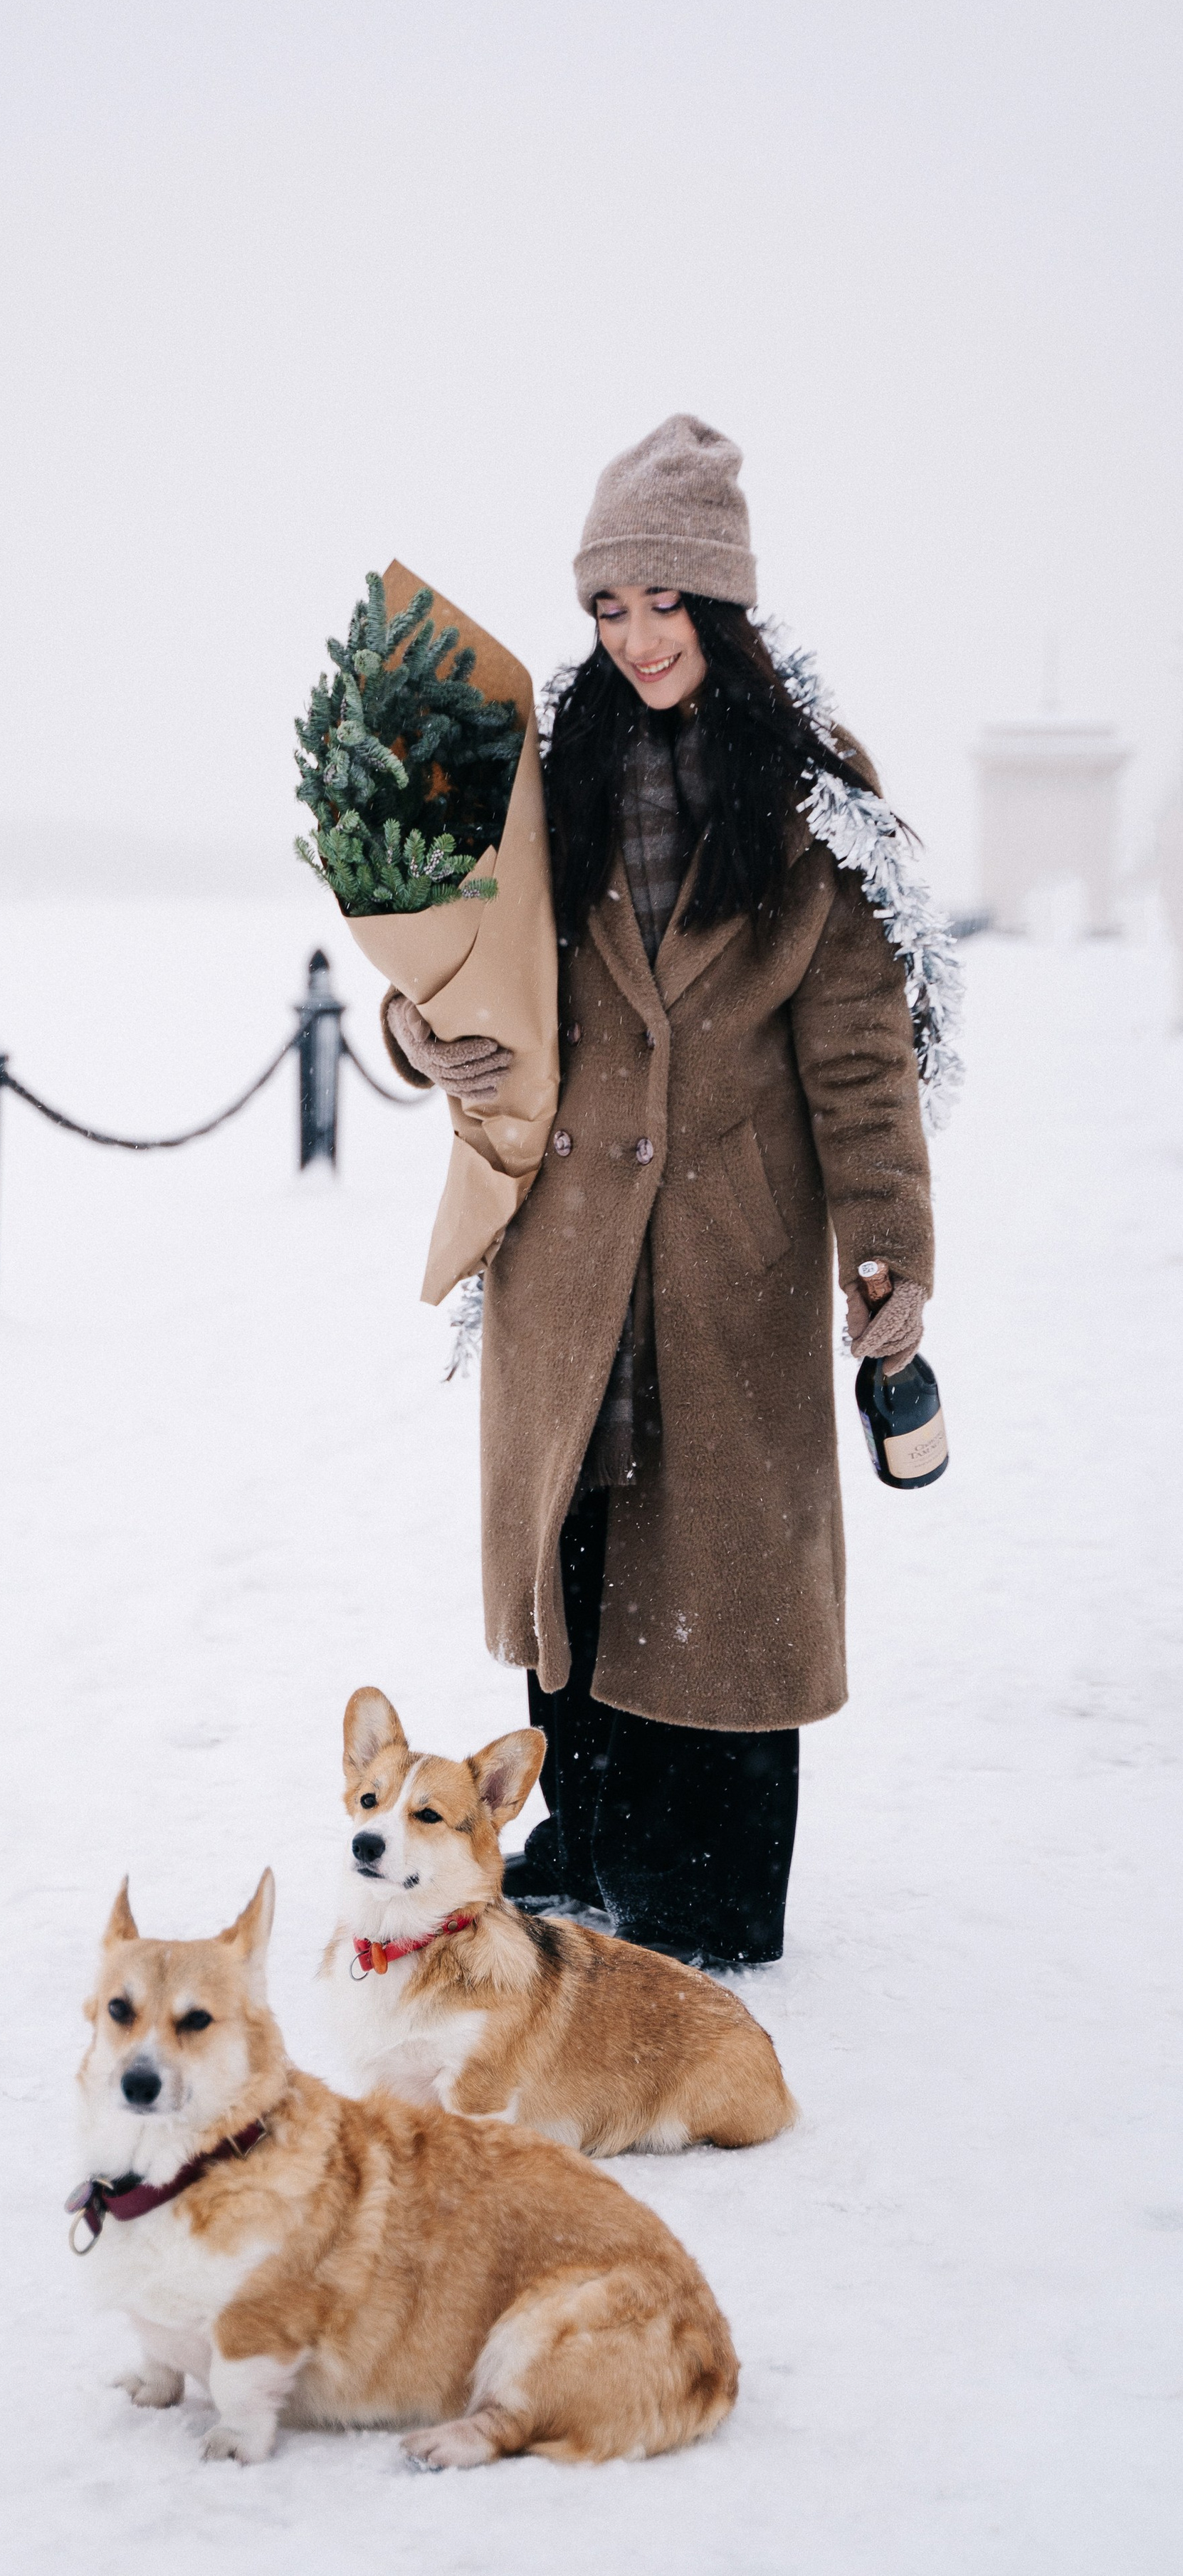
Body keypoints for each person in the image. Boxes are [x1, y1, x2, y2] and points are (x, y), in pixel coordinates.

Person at [382, 414, 934, 1968]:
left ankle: (707, 1888)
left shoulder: (814, 808)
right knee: (582, 1550)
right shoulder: (542, 784)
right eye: (606, 608)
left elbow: (856, 1058)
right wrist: (419, 1031)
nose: (632, 639)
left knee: (721, 1571)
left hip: (727, 1253)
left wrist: (885, 1257)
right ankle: (595, 1834)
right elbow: (462, 967)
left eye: (661, 603)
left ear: (721, 608)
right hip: (564, 1249)